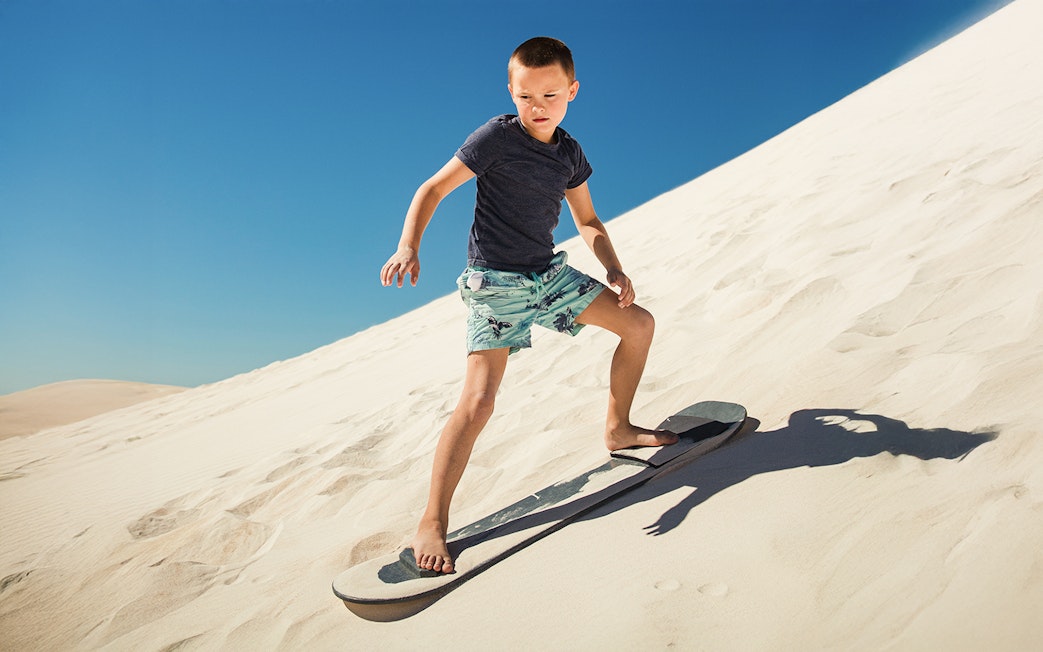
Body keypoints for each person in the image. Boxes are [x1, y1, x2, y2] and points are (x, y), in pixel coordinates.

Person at [380, 36, 677, 574]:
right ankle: (432, 519)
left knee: (639, 324)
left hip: (548, 274)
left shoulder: (569, 153)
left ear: (572, 91)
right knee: (479, 403)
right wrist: (409, 245)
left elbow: (587, 220)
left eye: (550, 95)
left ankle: (618, 427)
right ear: (511, 93)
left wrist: (612, 265)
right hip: (496, 284)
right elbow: (433, 188)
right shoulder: (496, 137)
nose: (537, 107)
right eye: (525, 97)